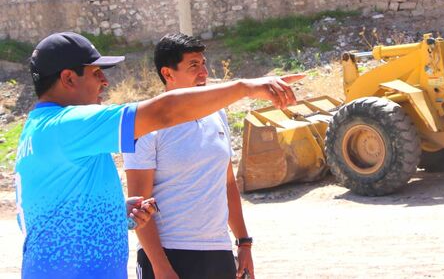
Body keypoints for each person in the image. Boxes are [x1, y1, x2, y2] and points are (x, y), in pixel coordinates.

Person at [15, 32, 302, 279]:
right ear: (67, 78)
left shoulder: (38, 131)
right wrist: (245, 87)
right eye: (95, 72)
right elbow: (163, 113)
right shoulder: (68, 125)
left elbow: (49, 221)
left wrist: (117, 214)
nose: (105, 82)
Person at [123, 34, 255, 279]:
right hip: (170, 254)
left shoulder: (218, 115)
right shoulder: (145, 125)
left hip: (218, 252)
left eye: (203, 64)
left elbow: (227, 184)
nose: (204, 73)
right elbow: (139, 204)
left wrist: (244, 243)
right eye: (193, 66)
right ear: (168, 73)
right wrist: (161, 267)